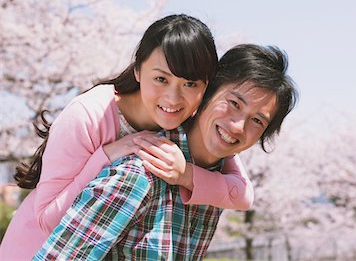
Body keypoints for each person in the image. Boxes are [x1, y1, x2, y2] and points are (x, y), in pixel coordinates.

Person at [0, 15, 254, 260]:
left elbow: (242, 195)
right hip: (35, 250)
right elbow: (46, 219)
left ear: (205, 87)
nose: (173, 98)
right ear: (138, 70)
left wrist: (184, 174)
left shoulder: (192, 118)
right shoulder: (89, 114)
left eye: (190, 84)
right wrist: (107, 155)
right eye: (160, 79)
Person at [33, 44, 298, 260]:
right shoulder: (140, 173)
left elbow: (242, 195)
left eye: (257, 121)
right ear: (204, 94)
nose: (237, 126)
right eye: (233, 103)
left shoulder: (211, 184)